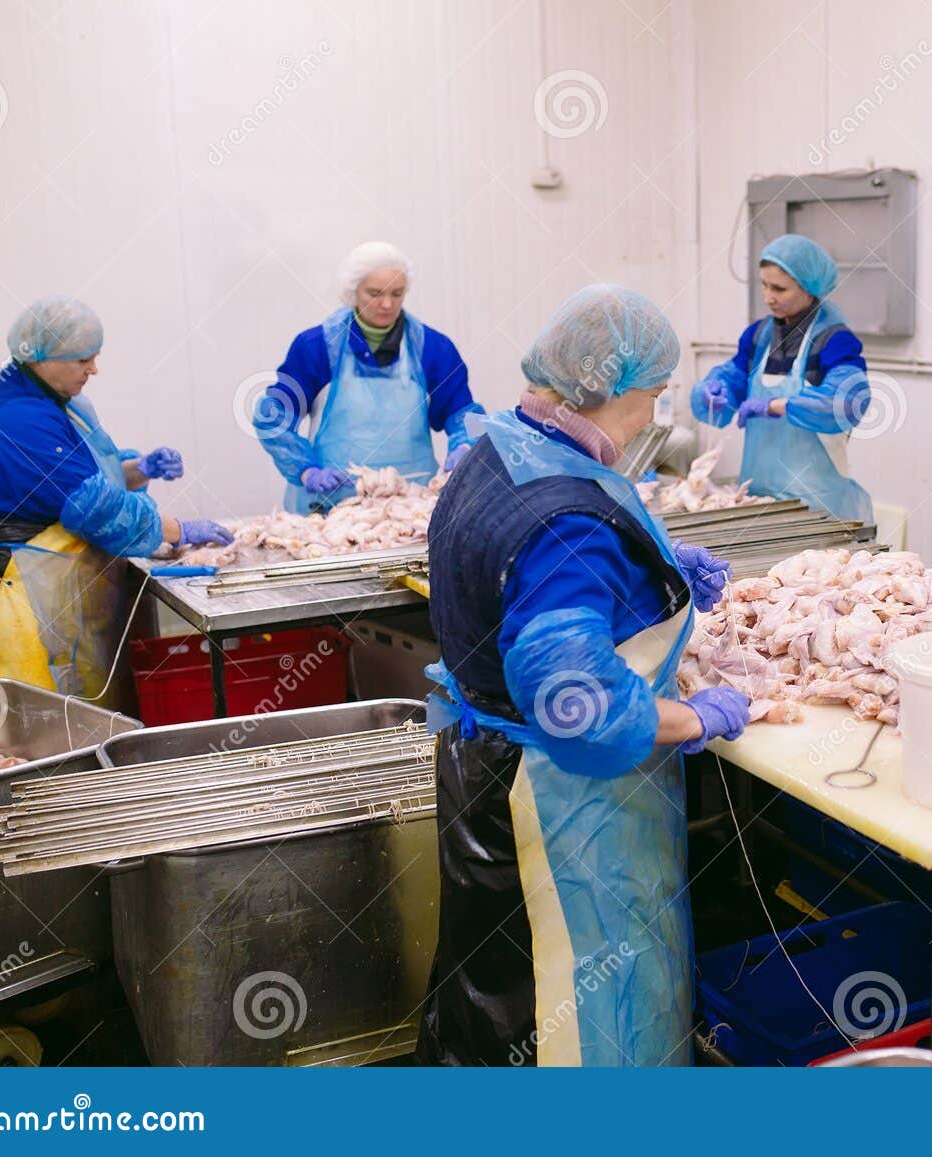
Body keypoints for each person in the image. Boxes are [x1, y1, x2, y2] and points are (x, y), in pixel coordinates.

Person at [416, 285, 751, 1067]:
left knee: (493, 991)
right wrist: (695, 719)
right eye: (652, 399)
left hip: (486, 768)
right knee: (577, 1016)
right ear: (610, 391)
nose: (652, 420)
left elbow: (531, 574)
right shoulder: (566, 515)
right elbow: (581, 708)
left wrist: (655, 567)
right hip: (564, 813)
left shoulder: (502, 447)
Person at [0, 296, 232, 696]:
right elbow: (92, 507)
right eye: (83, 359)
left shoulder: (50, 403)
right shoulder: (20, 419)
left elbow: (73, 481)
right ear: (41, 357)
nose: (94, 369)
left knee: (59, 706)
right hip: (12, 588)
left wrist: (139, 469)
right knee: (21, 714)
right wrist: (176, 529)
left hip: (42, 580)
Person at [256, 242, 484, 513]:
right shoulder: (317, 346)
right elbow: (273, 416)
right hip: (328, 505)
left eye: (397, 294)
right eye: (375, 293)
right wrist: (306, 471)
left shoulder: (433, 348)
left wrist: (465, 446)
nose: (387, 304)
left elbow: (464, 415)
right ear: (353, 292)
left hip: (410, 505)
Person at [691, 234, 874, 522]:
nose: (768, 297)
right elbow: (733, 378)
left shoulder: (834, 341)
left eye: (779, 288)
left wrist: (775, 405)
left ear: (809, 286)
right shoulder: (759, 336)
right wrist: (715, 390)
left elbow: (846, 402)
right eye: (764, 285)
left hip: (818, 503)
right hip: (758, 494)